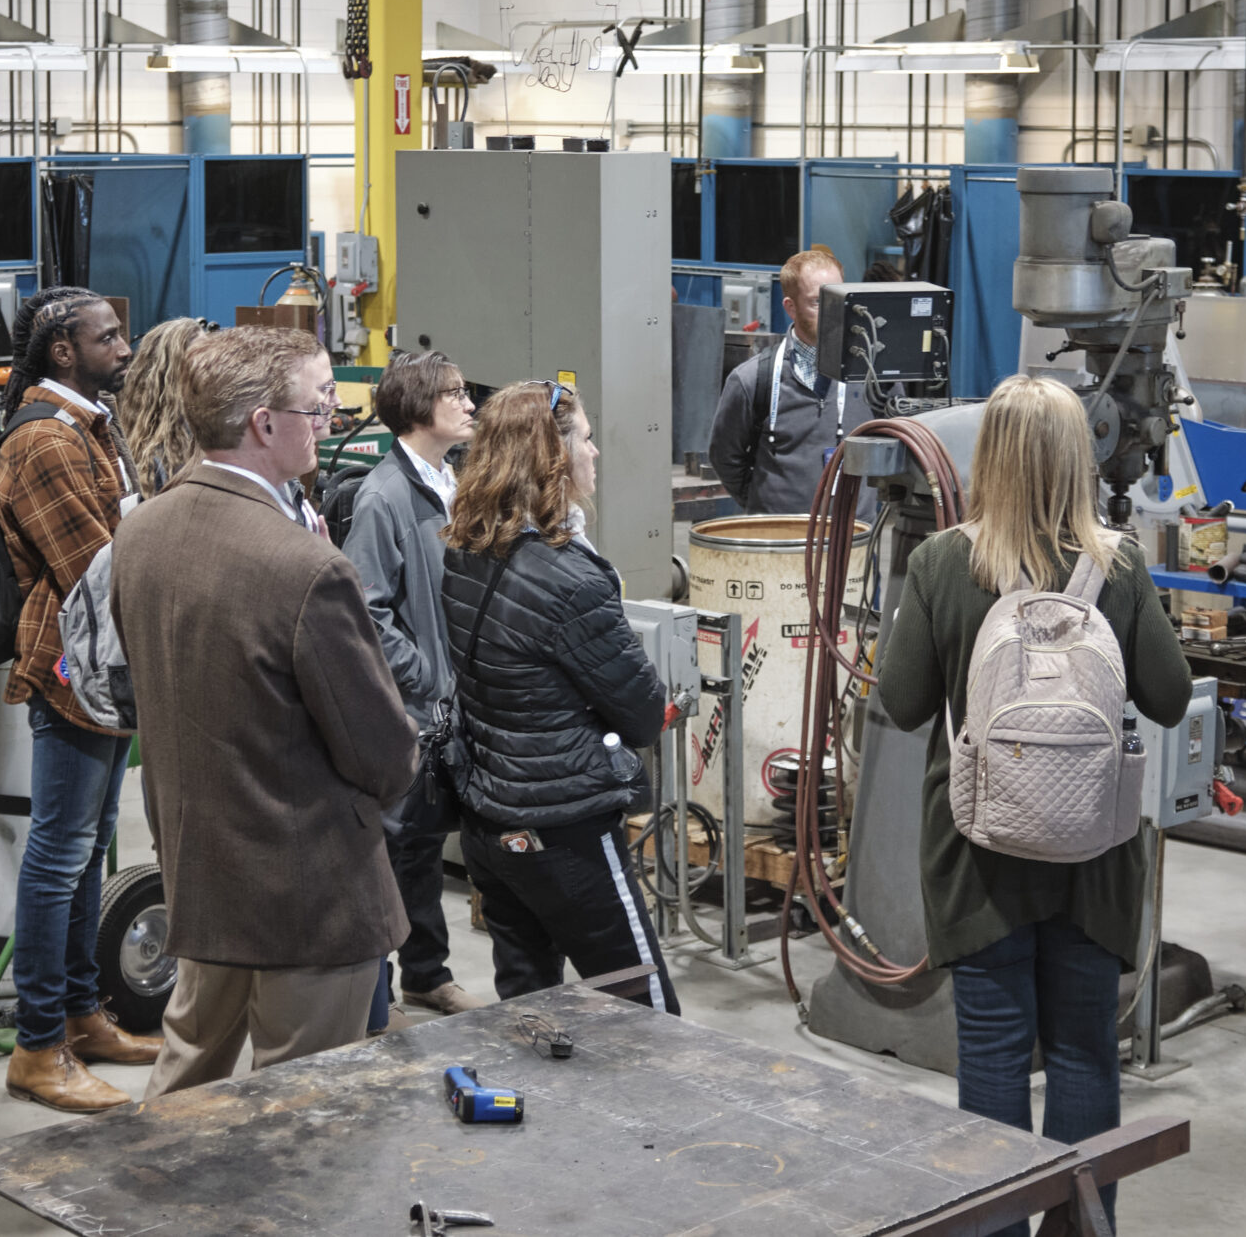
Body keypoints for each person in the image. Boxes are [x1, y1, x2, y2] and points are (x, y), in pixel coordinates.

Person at [876, 375, 1193, 1228]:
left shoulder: (941, 562)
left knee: (992, 1051)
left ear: (989, 459)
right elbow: (1170, 697)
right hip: (1094, 854)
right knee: (1087, 1051)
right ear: (1077, 459)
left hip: (977, 853)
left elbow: (900, 704)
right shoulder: (1118, 565)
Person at [111, 326, 419, 1093]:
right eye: (318, 405)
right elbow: (384, 752)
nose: (328, 421)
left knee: (188, 1085)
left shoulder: (140, 532)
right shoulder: (305, 567)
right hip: (306, 895)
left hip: (202, 873)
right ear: (264, 423)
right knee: (300, 1112)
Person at [442, 380, 678, 1012]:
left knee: (529, 1010)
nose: (596, 453)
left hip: (490, 820)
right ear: (554, 458)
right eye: (587, 440)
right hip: (564, 828)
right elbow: (642, 714)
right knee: (648, 1016)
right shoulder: (573, 580)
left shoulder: (465, 550)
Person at [0, 287, 159, 1112]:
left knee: (89, 849)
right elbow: (97, 569)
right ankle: (37, 1045)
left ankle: (83, 1013)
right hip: (71, 669)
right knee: (59, 855)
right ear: (64, 350)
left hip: (105, 667)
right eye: (109, 337)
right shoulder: (45, 441)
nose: (124, 347)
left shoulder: (89, 424)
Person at [344, 350, 483, 1018]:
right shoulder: (384, 497)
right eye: (455, 393)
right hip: (419, 711)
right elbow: (365, 610)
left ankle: (426, 974)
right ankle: (399, 981)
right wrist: (426, 677)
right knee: (407, 846)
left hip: (461, 703)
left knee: (429, 844)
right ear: (421, 406)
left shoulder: (451, 480)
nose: (469, 403)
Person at [707, 247, 866, 513]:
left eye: (839, 299)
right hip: (779, 534)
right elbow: (725, 457)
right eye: (818, 302)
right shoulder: (753, 380)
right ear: (791, 308)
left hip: (854, 533)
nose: (833, 311)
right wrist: (764, 504)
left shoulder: (871, 377)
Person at [113, 316, 216, 491]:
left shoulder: (212, 431)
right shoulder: (154, 461)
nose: (211, 368)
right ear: (172, 374)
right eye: (201, 358)